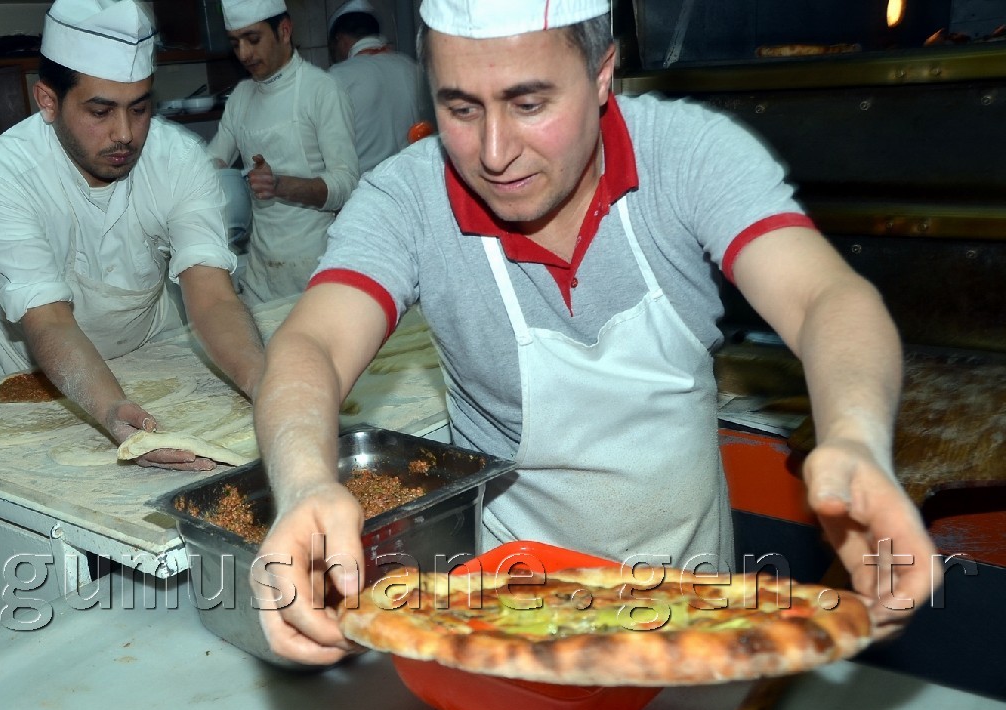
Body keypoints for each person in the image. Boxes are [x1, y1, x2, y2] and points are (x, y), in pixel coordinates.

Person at [251, 0, 942, 665]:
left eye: (529, 104)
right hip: (508, 619)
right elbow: (313, 344)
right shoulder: (406, 199)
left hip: (692, 610)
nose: (494, 152)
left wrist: (855, 437)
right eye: (460, 108)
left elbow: (826, 297)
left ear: (603, 73)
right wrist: (306, 482)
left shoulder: (685, 155)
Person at [0, 0, 264, 472]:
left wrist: (267, 384)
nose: (124, 133)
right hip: (47, 387)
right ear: (47, 100)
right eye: (100, 112)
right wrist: (110, 410)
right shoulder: (0, 177)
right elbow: (50, 320)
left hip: (151, 358)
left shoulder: (179, 159)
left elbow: (212, 295)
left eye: (139, 109)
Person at [207, 0, 359, 303]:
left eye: (253, 39)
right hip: (261, 272)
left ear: (285, 31)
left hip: (314, 267)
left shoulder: (321, 90)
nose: (244, 54)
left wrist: (280, 185)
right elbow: (215, 159)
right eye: (235, 44)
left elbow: (346, 184)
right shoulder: (241, 97)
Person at [326, 0, 429, 173]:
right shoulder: (412, 68)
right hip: (413, 182)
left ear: (340, 39)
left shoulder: (336, 78)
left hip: (363, 187)